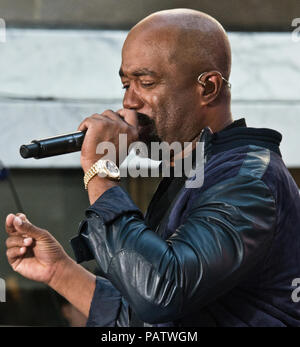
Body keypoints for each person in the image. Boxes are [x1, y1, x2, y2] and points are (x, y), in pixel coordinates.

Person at [5, 9, 300, 327]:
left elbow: (160, 294)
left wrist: (100, 172)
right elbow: (145, 320)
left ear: (208, 88)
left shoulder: (248, 180)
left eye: (145, 82)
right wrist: (59, 271)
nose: (130, 102)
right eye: (125, 85)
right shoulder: (193, 174)